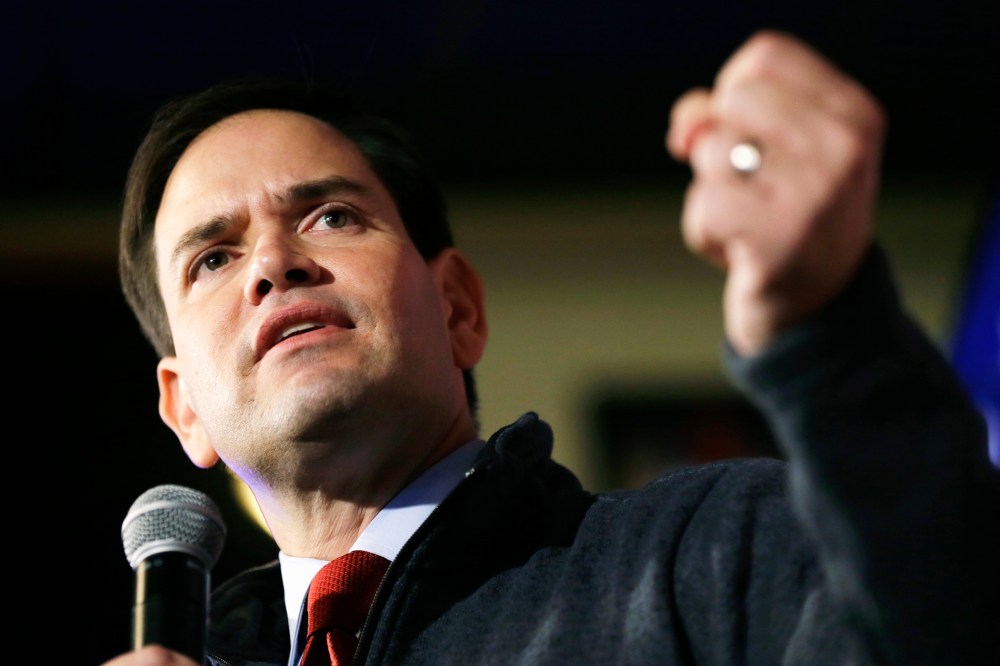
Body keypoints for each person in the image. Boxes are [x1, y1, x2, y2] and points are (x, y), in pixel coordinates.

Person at [103, 30, 998, 666]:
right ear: (184, 408)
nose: (273, 262)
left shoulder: (707, 553)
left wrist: (832, 335)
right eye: (213, 257)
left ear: (458, 307)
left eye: (332, 216)